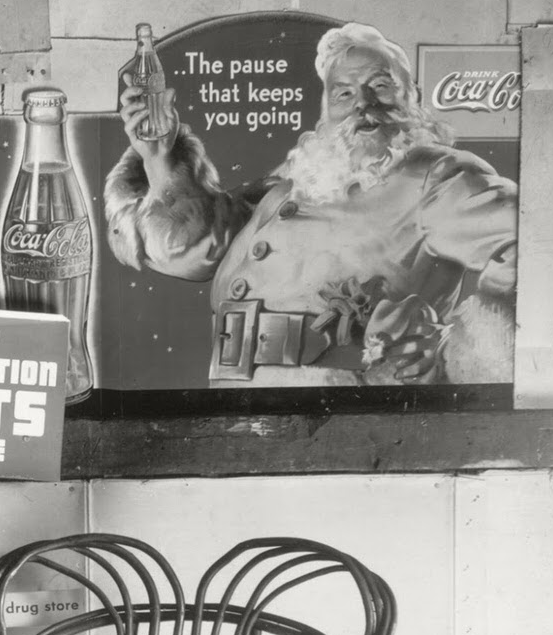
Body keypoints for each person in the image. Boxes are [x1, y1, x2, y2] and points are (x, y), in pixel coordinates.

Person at [103, 21, 518, 388]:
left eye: (380, 86)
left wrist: (450, 347)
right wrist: (159, 157)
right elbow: (196, 251)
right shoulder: (303, 175)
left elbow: (537, 248)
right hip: (237, 394)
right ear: (326, 107)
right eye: (343, 93)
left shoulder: (436, 176)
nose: (362, 104)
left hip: (343, 406)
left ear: (413, 98)